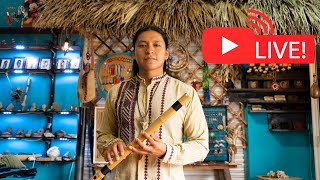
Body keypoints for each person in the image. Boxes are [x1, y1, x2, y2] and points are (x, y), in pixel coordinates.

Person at [97, 25, 209, 180]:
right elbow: (103, 134)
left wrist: (166, 151)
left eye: (156, 45)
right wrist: (110, 144)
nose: (149, 50)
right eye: (142, 45)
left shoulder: (185, 93)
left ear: (166, 53)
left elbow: (201, 146)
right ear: (134, 54)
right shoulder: (116, 92)